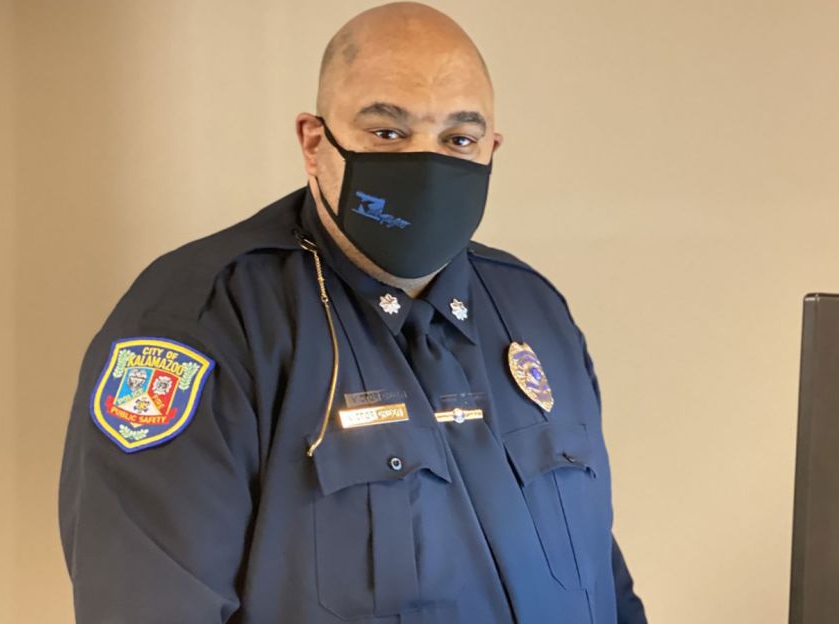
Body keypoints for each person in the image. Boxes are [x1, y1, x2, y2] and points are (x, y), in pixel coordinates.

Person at [59, 3, 647, 623]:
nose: (428, 165)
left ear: (490, 148)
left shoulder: (534, 311)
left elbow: (601, 579)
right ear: (315, 142)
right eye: (387, 133)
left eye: (459, 139)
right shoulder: (203, 321)